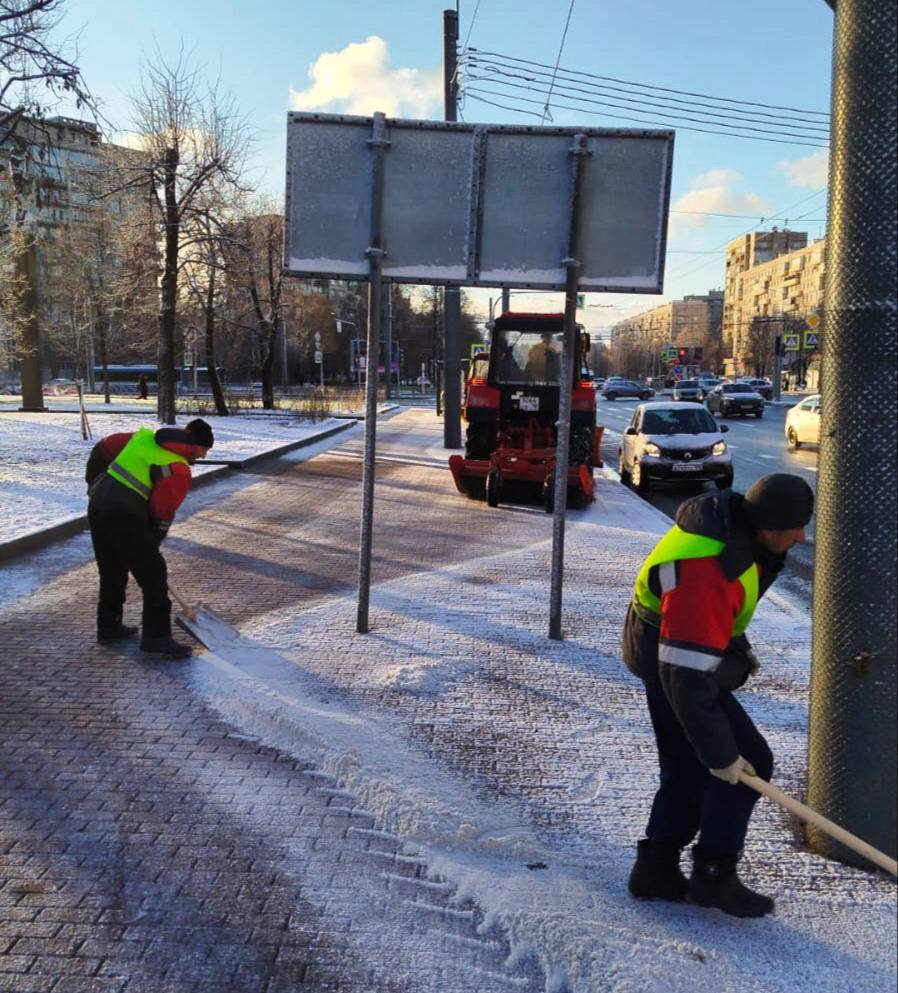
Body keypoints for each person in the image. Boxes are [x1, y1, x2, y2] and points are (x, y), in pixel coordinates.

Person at [622, 473, 814, 918]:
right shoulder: (711, 568)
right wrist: (721, 755)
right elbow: (685, 677)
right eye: (796, 527)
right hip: (670, 659)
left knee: (688, 766)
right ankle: (712, 877)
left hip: (668, 644)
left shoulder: (732, 523)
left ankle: (656, 869)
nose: (802, 537)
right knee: (745, 762)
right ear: (768, 528)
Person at [84, 418, 215, 658]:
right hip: (124, 513)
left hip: (98, 505)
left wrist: (94, 483)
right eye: (204, 450)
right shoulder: (178, 468)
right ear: (194, 444)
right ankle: (156, 638)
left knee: (112, 568)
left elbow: (104, 447)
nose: (204, 456)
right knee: (154, 574)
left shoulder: (142, 437)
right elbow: (161, 512)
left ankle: (109, 627)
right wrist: (150, 544)